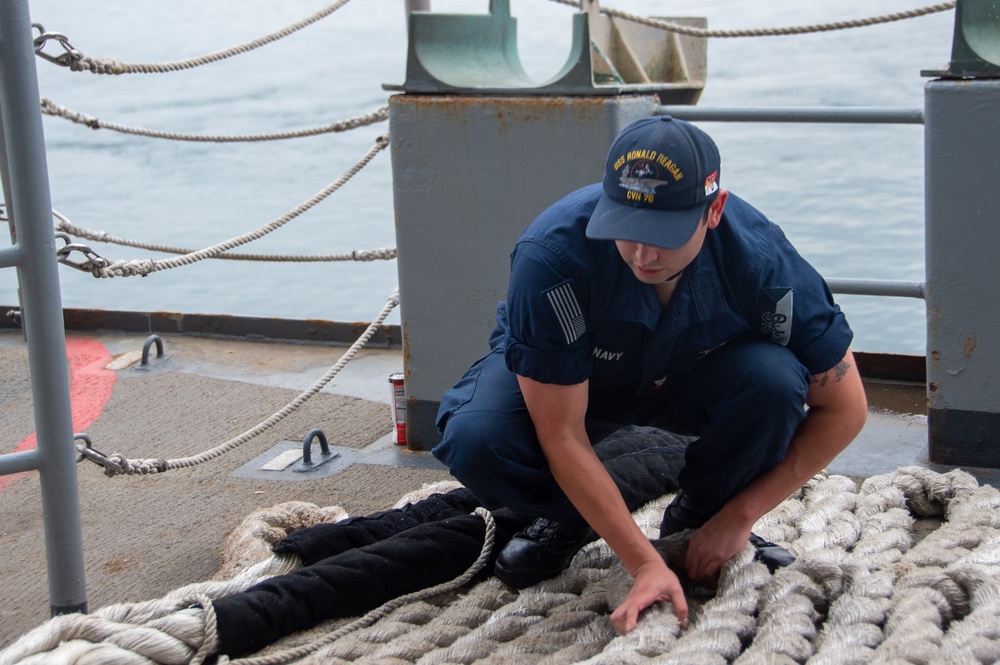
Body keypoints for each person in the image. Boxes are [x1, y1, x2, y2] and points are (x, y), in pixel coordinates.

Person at [431, 116, 869, 633]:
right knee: (477, 438)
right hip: (576, 382)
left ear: (714, 210)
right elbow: (562, 433)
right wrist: (642, 563)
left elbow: (846, 409)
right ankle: (572, 518)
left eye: (663, 233)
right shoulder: (551, 256)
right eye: (628, 229)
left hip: (690, 374)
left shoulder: (762, 261)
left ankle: (697, 521)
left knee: (774, 381)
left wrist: (740, 516)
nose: (643, 254)